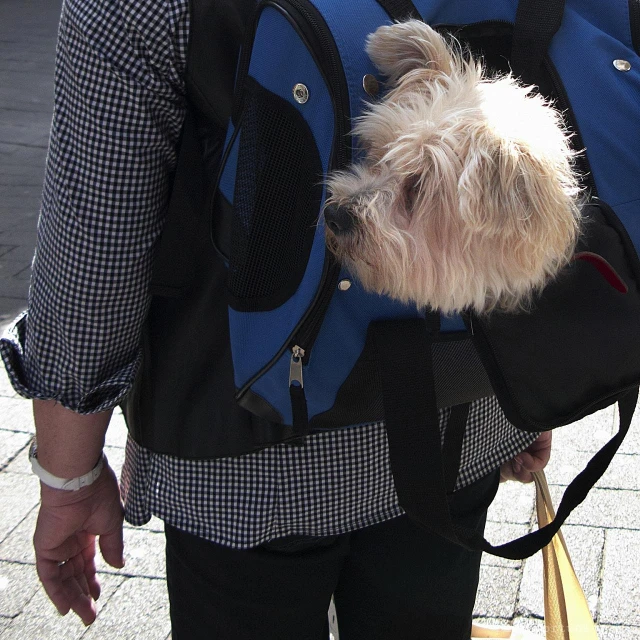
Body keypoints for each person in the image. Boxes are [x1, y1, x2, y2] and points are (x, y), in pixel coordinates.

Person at [0, 0, 551, 638]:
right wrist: (526, 393)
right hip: (454, 426)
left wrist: (69, 476)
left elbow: (94, 254)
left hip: (240, 459)